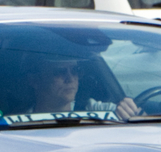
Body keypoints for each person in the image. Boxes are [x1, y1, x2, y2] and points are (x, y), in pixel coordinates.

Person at [11, 45, 142, 121]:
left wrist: (130, 112)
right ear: (34, 80)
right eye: (60, 72)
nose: (70, 78)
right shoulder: (18, 122)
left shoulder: (95, 109)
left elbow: (146, 127)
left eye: (75, 70)